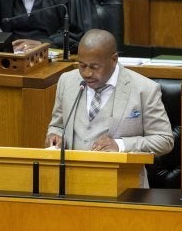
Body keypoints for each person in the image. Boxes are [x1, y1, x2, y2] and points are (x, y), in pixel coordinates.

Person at [45, 29, 174, 157]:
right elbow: (58, 126)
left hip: (121, 175)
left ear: (114, 60)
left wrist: (121, 145)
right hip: (71, 174)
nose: (87, 74)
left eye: (95, 67)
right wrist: (54, 136)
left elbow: (164, 140)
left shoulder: (145, 89)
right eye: (82, 65)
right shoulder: (67, 81)